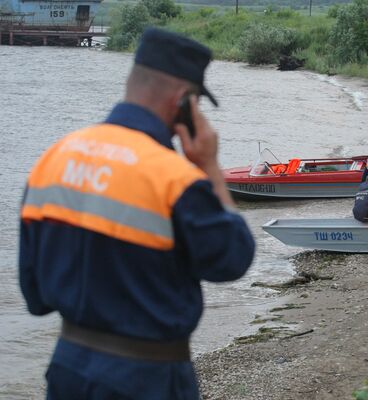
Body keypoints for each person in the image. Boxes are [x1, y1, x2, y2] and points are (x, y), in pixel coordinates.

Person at [19, 28, 255, 400]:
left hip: (68, 371)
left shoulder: (53, 159)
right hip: (146, 379)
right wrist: (208, 165)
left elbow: (34, 297)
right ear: (183, 103)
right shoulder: (174, 178)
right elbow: (233, 258)